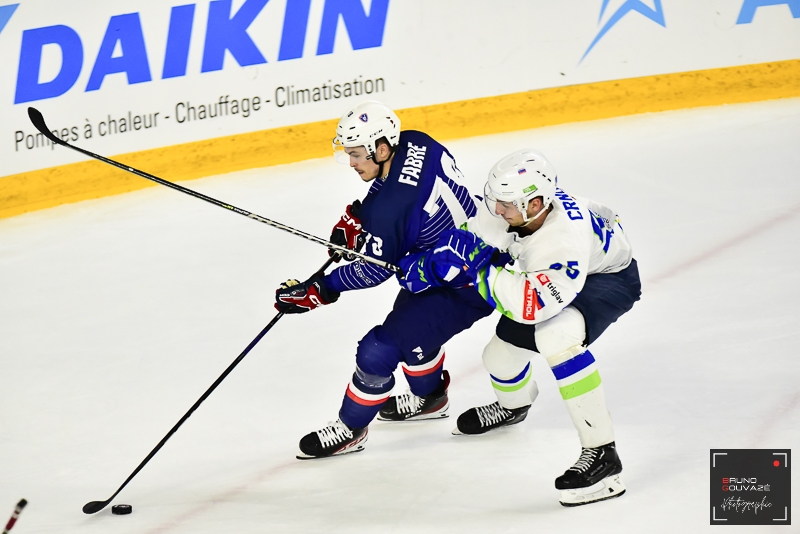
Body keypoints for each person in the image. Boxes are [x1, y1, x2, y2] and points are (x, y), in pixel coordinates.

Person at [399, 148, 641, 506]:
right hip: (563, 274)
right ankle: (514, 406)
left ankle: (604, 456)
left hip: (607, 278)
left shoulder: (560, 240)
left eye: (506, 204)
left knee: (555, 336)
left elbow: (532, 305)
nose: (497, 210)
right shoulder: (518, 208)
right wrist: (427, 266)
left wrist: (482, 270)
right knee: (497, 356)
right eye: (494, 199)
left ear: (537, 203)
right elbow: (469, 241)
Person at [274, 100, 500, 459]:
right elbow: (398, 190)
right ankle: (430, 398)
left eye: (357, 154)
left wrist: (323, 288)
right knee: (411, 332)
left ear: (382, 148)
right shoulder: (416, 140)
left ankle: (350, 429)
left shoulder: (390, 209)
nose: (351, 162)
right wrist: (361, 217)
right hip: (466, 257)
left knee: (378, 350)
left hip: (462, 286)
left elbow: (375, 269)